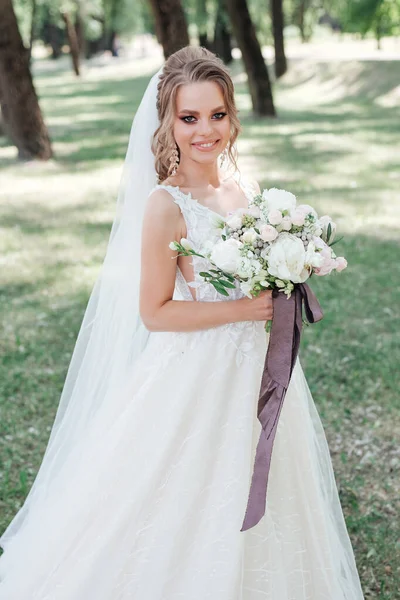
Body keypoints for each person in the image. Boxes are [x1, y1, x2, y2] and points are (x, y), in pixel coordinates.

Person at [0, 46, 365, 599]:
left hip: (256, 370)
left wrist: (292, 267)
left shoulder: (248, 192)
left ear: (232, 116)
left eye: (217, 115)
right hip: (195, 375)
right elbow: (155, 312)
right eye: (189, 117)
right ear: (167, 122)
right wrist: (242, 309)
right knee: (184, 494)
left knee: (266, 484)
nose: (205, 131)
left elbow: (261, 271)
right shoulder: (165, 206)